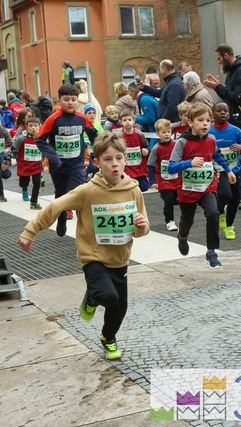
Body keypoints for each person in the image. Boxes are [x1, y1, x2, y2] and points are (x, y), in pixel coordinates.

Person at [19, 132, 149, 360]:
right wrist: (31, 231)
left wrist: (141, 225)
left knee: (119, 307)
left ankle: (108, 338)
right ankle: (92, 297)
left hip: (120, 258)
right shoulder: (88, 190)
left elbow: (142, 228)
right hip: (93, 256)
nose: (114, 164)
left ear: (125, 160)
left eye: (118, 158)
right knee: (108, 296)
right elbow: (56, 206)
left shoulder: (133, 190)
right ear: (97, 163)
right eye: (108, 159)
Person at [167, 103, 235, 268]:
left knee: (213, 213)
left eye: (208, 120)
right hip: (187, 189)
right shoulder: (182, 142)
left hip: (207, 187)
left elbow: (217, 156)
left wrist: (228, 171)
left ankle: (211, 252)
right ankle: (182, 236)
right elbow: (171, 167)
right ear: (190, 122)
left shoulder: (211, 140)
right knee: (187, 220)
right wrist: (189, 163)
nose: (205, 124)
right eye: (200, 120)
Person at [36, 84, 97, 237]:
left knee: (79, 192)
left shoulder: (82, 118)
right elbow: (40, 140)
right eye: (66, 99)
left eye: (73, 99)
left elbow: (94, 136)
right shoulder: (53, 119)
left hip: (77, 164)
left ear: (77, 101)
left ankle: (84, 227)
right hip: (58, 165)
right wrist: (53, 157)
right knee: (61, 195)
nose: (70, 102)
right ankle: (62, 217)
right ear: (60, 101)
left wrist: (101, 153)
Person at [208, 102, 241, 239]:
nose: (222, 113)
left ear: (229, 114)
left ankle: (229, 226)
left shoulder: (235, 130)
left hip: (234, 169)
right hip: (217, 170)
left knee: (235, 199)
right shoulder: (208, 131)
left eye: (225, 111)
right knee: (225, 194)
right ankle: (220, 211)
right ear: (213, 114)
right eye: (219, 110)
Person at [203, 44, 241, 129]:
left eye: (219, 58)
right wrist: (216, 87)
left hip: (238, 119)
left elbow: (237, 98)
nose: (218, 62)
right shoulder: (231, 73)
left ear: (226, 56)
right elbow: (227, 96)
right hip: (232, 117)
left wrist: (218, 87)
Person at [147, 118, 179, 231]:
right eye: (163, 132)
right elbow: (150, 166)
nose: (166, 134)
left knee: (179, 199)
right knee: (168, 199)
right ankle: (170, 221)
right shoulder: (156, 149)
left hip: (177, 178)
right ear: (157, 134)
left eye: (168, 132)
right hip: (163, 180)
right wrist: (152, 181)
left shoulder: (176, 145)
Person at [12, 116, 43, 209]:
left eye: (35, 126)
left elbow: (46, 150)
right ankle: (23, 186)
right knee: (23, 183)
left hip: (37, 166)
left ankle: (34, 202)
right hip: (24, 166)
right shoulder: (21, 138)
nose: (33, 128)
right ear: (27, 127)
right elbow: (14, 148)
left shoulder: (41, 138)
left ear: (39, 127)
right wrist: (7, 160)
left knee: (37, 183)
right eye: (30, 126)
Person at [119, 109, 150, 192]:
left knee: (144, 187)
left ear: (134, 121)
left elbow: (147, 146)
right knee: (129, 190)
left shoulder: (140, 134)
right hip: (126, 170)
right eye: (125, 120)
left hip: (139, 169)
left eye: (129, 120)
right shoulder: (119, 136)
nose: (127, 122)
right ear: (121, 122)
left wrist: (146, 151)